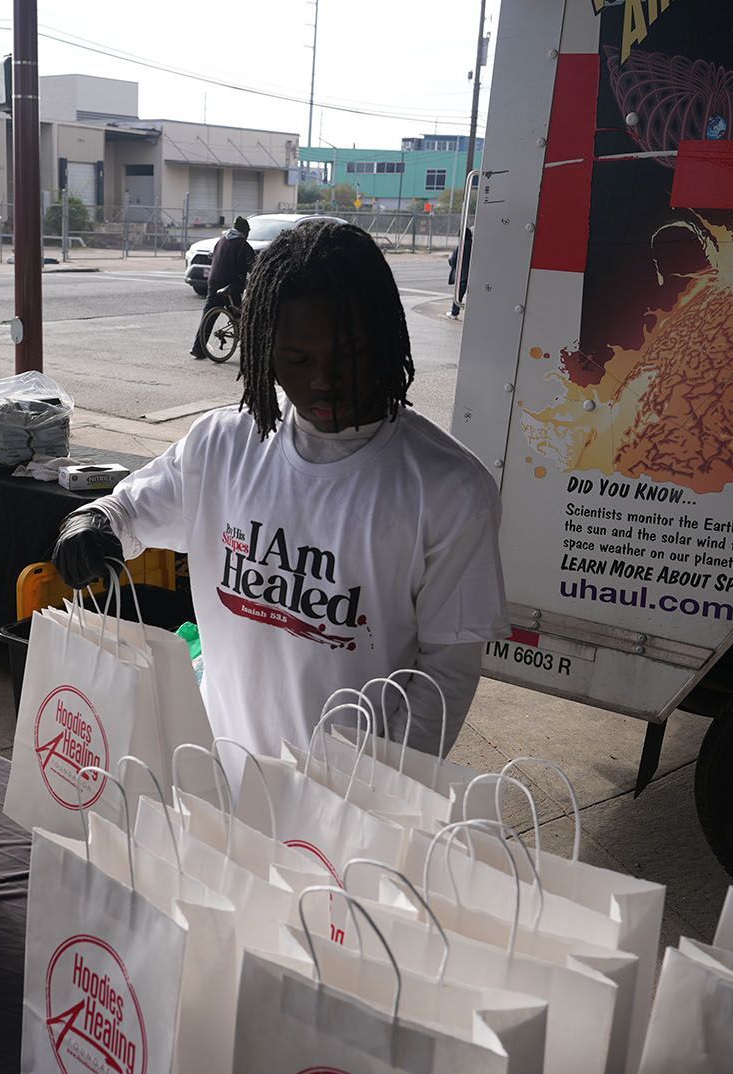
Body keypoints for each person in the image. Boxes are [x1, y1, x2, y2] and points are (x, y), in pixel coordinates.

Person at [55, 221, 506, 757]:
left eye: (349, 355)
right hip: (216, 777)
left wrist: (381, 796)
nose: (323, 380)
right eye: (297, 360)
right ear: (264, 349)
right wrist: (92, 523)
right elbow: (126, 510)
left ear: (385, 340)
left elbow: (444, 679)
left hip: (344, 807)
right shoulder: (220, 446)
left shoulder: (451, 491)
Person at [191, 215, 253, 360]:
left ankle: (198, 349)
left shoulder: (221, 240)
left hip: (213, 283)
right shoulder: (242, 244)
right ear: (245, 231)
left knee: (208, 316)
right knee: (242, 316)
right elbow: (252, 265)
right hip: (231, 285)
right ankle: (247, 351)